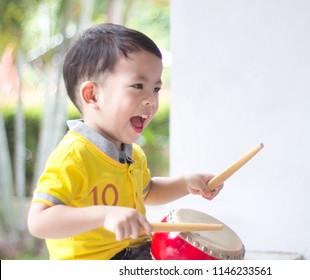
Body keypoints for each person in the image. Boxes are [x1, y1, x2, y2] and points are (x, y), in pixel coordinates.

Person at [27, 23, 223, 260]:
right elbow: (39, 221)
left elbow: (148, 192)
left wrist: (186, 183)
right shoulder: (74, 155)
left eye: (156, 89)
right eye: (138, 86)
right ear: (92, 95)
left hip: (136, 254)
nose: (151, 100)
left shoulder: (133, 154)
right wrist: (105, 215)